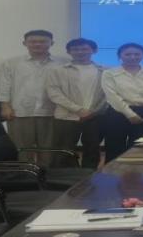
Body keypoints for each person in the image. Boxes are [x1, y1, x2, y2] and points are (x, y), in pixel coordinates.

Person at [0, 30, 62, 165]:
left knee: (49, 148)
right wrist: (5, 107)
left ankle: (47, 174)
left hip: (52, 111)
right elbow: (3, 86)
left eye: (43, 41)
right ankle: (25, 174)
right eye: (33, 41)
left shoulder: (62, 63)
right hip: (19, 111)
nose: (37, 44)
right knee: (21, 148)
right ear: (24, 43)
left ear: (52, 43)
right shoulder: (11, 63)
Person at [45, 38, 107, 169]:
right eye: (75, 49)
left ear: (94, 50)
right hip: (66, 116)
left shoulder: (104, 71)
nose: (80, 52)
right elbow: (54, 93)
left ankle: (89, 175)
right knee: (64, 149)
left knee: (92, 148)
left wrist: (94, 112)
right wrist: (78, 110)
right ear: (69, 52)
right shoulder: (57, 70)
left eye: (84, 49)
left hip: (95, 116)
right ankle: (67, 176)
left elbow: (107, 95)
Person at [101, 43, 143, 161]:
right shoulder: (109, 73)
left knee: (140, 147)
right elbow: (112, 96)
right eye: (128, 54)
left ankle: (137, 172)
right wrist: (130, 115)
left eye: (137, 54)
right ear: (120, 56)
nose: (132, 57)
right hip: (118, 112)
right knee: (114, 146)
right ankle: (112, 172)